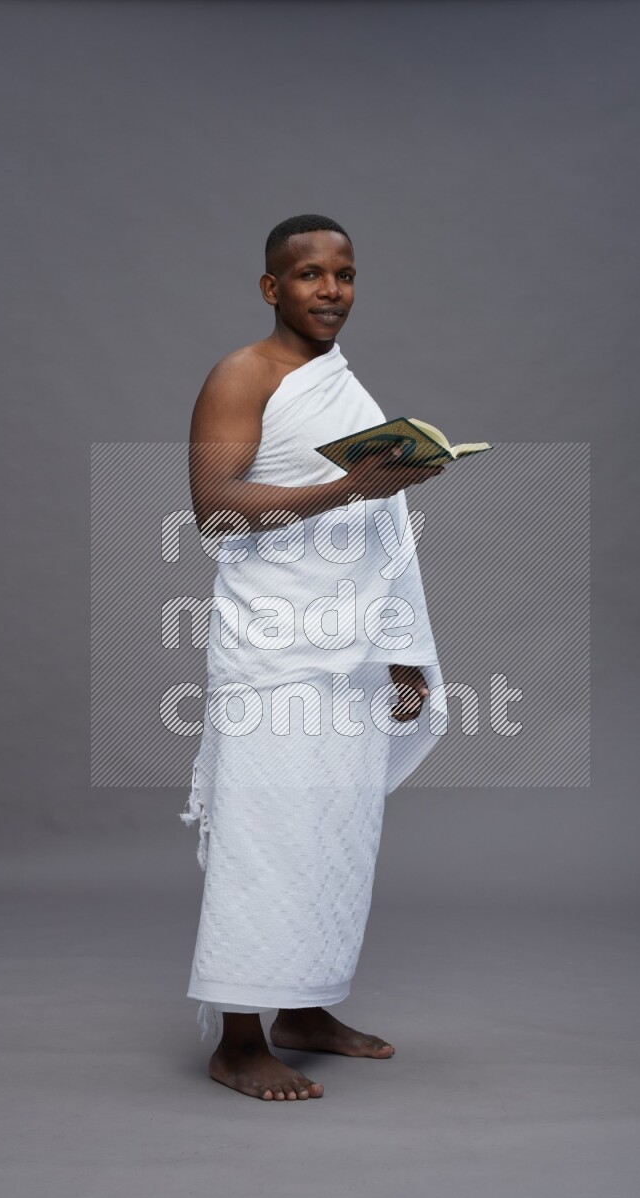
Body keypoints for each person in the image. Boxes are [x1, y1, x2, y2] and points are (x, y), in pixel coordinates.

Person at [180, 214, 447, 1101]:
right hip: (274, 646)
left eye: (346, 274)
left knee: (335, 833)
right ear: (272, 287)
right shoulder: (243, 375)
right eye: (310, 274)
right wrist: (348, 485)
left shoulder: (343, 384)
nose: (332, 290)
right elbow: (215, 507)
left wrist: (403, 652)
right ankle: (239, 1040)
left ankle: (303, 1007)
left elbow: (380, 526)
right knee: (265, 836)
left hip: (353, 651)